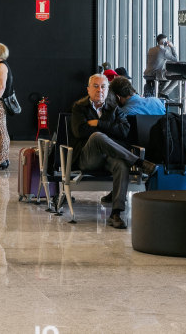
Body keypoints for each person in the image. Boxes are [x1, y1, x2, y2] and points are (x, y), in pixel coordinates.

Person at [70, 74, 156, 229]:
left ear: (107, 90)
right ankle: (138, 162)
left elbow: (124, 131)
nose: (99, 90)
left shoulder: (114, 108)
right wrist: (107, 131)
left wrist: (99, 123)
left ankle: (116, 213)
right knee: (97, 137)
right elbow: (80, 132)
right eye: (95, 86)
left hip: (108, 158)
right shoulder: (79, 107)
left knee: (121, 165)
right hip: (87, 157)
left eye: (103, 87)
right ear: (88, 89)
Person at [143, 34, 177, 98]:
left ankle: (160, 94)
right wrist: (172, 47)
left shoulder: (151, 49)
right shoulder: (164, 51)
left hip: (147, 73)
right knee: (178, 76)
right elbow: (176, 59)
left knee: (168, 77)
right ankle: (164, 93)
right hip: (157, 74)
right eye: (166, 41)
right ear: (163, 42)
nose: (168, 42)